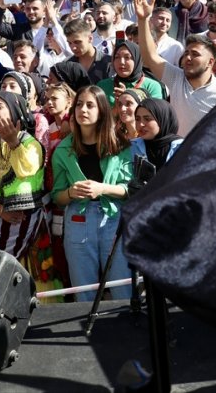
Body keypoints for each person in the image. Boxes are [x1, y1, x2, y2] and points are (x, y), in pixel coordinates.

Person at [50, 86, 132, 302]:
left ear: (102, 110)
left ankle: (127, 332)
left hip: (113, 219)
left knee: (121, 287)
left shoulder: (120, 145)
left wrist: (102, 188)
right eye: (78, 104)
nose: (82, 110)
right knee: (83, 290)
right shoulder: (62, 149)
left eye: (90, 105)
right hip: (77, 220)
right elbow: (56, 197)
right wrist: (70, 192)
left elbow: (130, 189)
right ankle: (85, 334)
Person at [134, 0, 216, 136]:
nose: (188, 58)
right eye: (186, 53)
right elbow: (149, 56)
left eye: (195, 54)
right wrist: (143, 20)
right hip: (177, 153)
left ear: (210, 62)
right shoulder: (176, 78)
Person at [0, 92, 46, 260]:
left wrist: (14, 143)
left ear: (14, 112)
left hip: (24, 221)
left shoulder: (31, 144)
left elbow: (27, 170)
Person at [96, 39, 164, 105]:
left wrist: (129, 99)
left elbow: (154, 114)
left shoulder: (152, 86)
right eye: (117, 57)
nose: (121, 62)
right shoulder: (103, 86)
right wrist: (116, 108)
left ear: (137, 60)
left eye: (127, 57)